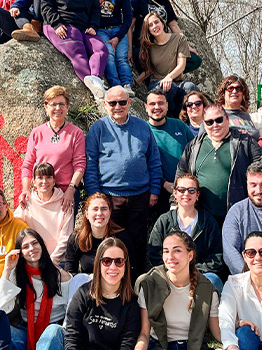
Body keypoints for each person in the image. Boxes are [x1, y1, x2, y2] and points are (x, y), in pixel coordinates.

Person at [27, 238, 145, 350]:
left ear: (125, 265)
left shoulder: (131, 302)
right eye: (107, 261)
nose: (112, 266)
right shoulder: (83, 294)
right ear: (98, 264)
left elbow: (128, 345)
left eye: (119, 261)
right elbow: (71, 338)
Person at [129, 231, 228, 350]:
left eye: (177, 251)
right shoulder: (149, 284)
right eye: (166, 251)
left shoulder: (207, 289)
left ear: (190, 255)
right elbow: (144, 332)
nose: (170, 257)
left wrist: (237, 334)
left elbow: (217, 332)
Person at [84, 86, 163, 265]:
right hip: (109, 197)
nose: (117, 106)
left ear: (129, 103)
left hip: (140, 196)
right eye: (112, 103)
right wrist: (95, 196)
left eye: (122, 102)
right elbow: (90, 164)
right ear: (105, 104)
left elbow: (154, 161)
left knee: (137, 244)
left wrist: (155, 190)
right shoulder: (98, 128)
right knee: (111, 245)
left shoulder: (143, 126)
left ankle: (135, 284)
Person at [0, 229, 69, 350]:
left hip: (54, 337)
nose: (31, 249)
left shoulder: (62, 277)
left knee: (54, 330)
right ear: (19, 252)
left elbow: (71, 317)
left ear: (42, 245)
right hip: (26, 334)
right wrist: (7, 269)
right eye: (25, 246)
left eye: (35, 243)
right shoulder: (18, 275)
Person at [180, 105, 262, 222]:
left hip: (236, 214)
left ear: (227, 118)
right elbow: (181, 173)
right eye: (209, 122)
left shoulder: (245, 142)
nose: (215, 125)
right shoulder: (194, 145)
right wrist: (175, 203)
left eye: (219, 120)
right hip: (201, 216)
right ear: (204, 124)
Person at [40, 0, 110, 96]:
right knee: (79, 53)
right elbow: (46, 6)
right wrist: (57, 23)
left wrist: (93, 25)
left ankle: (95, 80)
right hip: (62, 25)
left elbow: (96, 9)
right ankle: (97, 93)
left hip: (84, 27)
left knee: (101, 49)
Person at [148, 173, 225, 277]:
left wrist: (191, 271)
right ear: (174, 193)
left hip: (200, 275)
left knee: (213, 279)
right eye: (181, 190)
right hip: (170, 274)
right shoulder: (164, 221)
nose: (186, 194)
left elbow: (216, 256)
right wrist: (174, 270)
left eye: (191, 190)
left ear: (197, 194)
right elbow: (154, 254)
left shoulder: (208, 222)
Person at [18, 87, 85, 205]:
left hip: (66, 194)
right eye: (53, 104)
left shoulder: (76, 133)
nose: (58, 108)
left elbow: (80, 165)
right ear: (46, 106)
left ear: (67, 106)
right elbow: (28, 165)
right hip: (41, 193)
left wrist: (71, 189)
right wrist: (25, 189)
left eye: (61, 104)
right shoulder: (37, 133)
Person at [133, 13, 200, 116]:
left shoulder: (179, 39)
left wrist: (169, 77)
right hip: (157, 83)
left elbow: (181, 65)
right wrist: (135, 82)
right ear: (148, 30)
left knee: (190, 87)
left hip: (176, 81)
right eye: (150, 25)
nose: (155, 26)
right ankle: (169, 120)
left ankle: (191, 123)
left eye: (156, 22)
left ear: (163, 23)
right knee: (169, 88)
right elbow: (150, 70)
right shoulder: (148, 46)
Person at [89, 0, 134, 88]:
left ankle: (127, 85)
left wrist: (118, 37)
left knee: (122, 59)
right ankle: (116, 86)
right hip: (101, 29)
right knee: (108, 56)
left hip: (118, 29)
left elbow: (128, 17)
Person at [14, 162, 74, 263]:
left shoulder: (65, 203)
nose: (44, 181)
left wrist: (52, 262)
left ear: (54, 181)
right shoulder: (27, 203)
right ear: (33, 181)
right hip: (33, 261)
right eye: (40, 177)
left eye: (48, 177)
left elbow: (66, 238)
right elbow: (15, 226)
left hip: (59, 262)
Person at [144, 88, 197, 195]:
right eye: (152, 104)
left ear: (167, 105)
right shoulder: (143, 131)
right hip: (159, 191)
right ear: (146, 107)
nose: (157, 107)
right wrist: (164, 183)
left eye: (161, 103)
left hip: (187, 190)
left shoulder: (180, 125)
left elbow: (197, 151)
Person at [58, 193, 118, 275]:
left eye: (104, 209)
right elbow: (70, 272)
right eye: (95, 209)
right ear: (86, 214)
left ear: (109, 212)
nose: (99, 213)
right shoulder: (76, 238)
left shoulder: (120, 238)